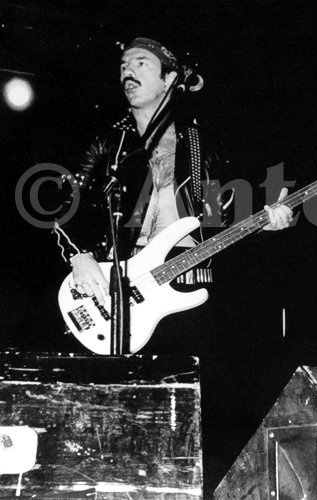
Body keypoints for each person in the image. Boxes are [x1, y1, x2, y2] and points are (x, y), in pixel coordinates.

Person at [52, 37, 293, 319]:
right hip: (117, 286)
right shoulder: (109, 143)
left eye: (141, 63)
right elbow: (67, 202)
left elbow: (215, 218)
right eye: (124, 65)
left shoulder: (201, 145)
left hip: (188, 286)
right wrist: (80, 255)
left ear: (169, 79)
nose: (128, 72)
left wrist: (261, 225)